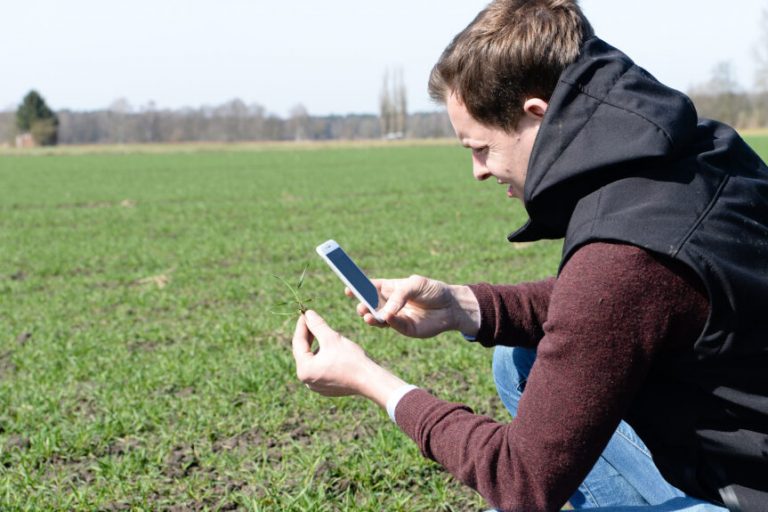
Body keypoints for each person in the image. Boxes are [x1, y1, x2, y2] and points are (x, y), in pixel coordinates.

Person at [290, 1, 768, 510]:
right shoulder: (692, 152)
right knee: (517, 359)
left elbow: (519, 482)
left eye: (480, 148)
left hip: (748, 485)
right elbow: (627, 301)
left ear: (535, 115)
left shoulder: (622, 255)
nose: (477, 170)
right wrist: (462, 305)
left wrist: (375, 383)